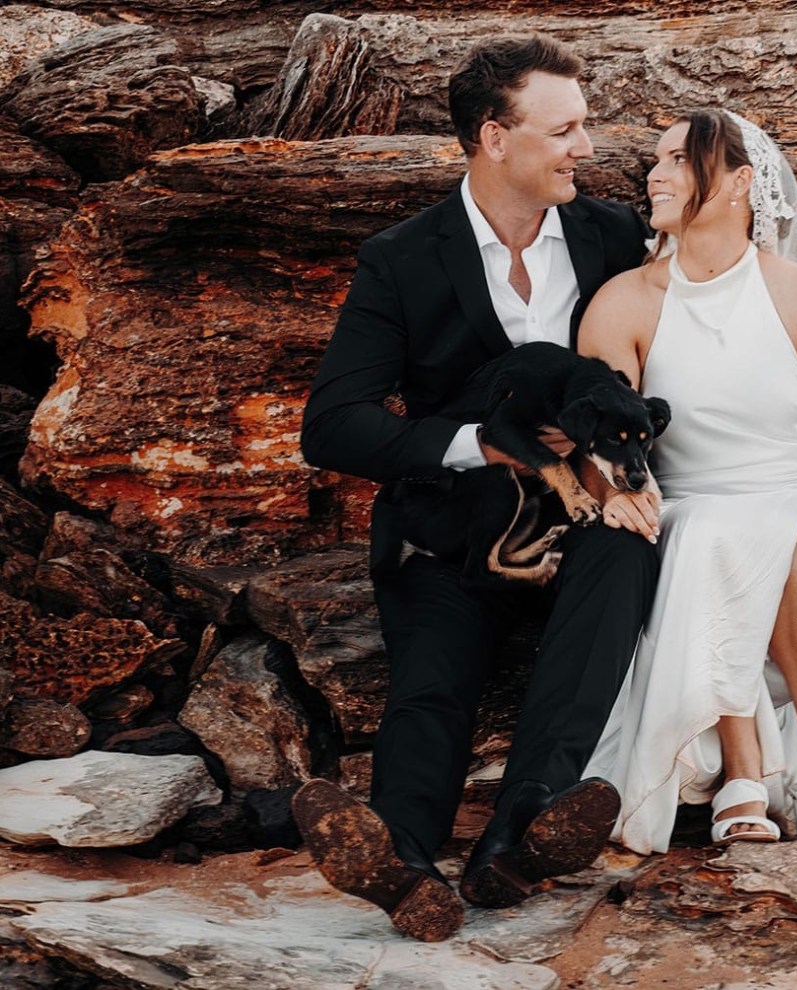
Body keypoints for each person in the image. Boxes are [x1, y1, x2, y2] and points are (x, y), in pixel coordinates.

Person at [293, 34, 661, 941]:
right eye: (564, 130)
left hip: (584, 518)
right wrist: (480, 447)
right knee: (433, 680)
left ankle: (522, 833)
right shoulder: (402, 257)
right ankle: (403, 862)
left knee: (626, 554)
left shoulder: (617, 237)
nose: (585, 148)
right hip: (448, 524)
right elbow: (332, 423)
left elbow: (727, 342)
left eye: (583, 127)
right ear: (495, 137)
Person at [579, 110, 797, 854]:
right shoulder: (623, 302)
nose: (655, 175)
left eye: (679, 160)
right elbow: (600, 441)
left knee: (794, 534)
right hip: (689, 507)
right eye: (655, 161)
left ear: (741, 181)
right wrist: (616, 492)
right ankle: (744, 772)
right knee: (714, 534)